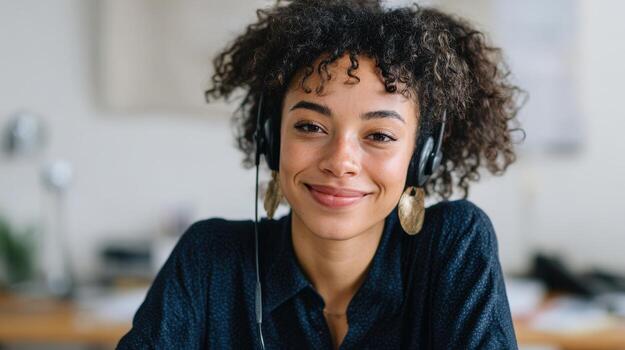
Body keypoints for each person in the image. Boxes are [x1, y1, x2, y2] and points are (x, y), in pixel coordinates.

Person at [117, 0, 524, 349]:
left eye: (379, 134)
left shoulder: (453, 246)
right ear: (271, 138)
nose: (340, 161)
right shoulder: (210, 260)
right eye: (311, 127)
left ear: (421, 156)